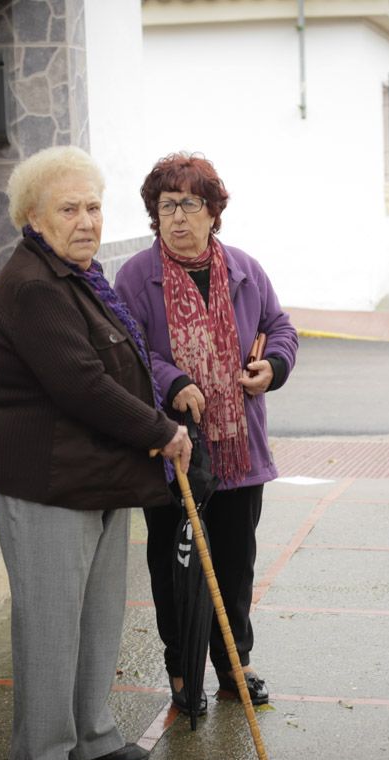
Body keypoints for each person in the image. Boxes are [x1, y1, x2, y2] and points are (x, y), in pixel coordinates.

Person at [0, 145, 192, 760]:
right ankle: (39, 759)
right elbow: (82, 384)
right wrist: (161, 432)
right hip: (47, 483)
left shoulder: (81, 280)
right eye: (68, 208)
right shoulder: (34, 288)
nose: (85, 220)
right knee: (50, 623)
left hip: (97, 476)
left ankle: (91, 734)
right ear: (34, 218)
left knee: (98, 616)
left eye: (93, 206)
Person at [115, 152, 298, 715]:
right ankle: (180, 666)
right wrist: (170, 381)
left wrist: (274, 367)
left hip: (239, 451)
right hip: (173, 451)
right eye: (167, 205)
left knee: (235, 563)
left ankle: (234, 663)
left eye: (191, 204)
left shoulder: (244, 269)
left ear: (213, 212)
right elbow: (128, 352)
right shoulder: (134, 279)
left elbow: (279, 328)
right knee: (175, 565)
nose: (178, 218)